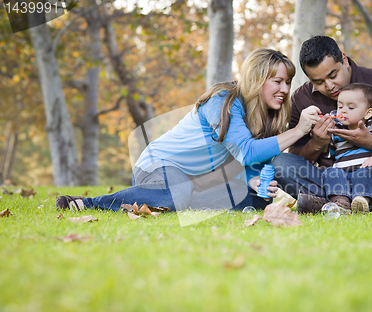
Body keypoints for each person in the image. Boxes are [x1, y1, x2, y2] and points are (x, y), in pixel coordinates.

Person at [56, 49, 320, 212]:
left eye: (287, 82)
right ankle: (89, 203)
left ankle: (175, 202)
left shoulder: (263, 113)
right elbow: (247, 151)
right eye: (277, 81)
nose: (285, 89)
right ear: (257, 79)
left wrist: (250, 179)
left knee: (258, 200)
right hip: (159, 166)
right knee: (177, 193)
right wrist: (298, 130)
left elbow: (250, 159)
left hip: (200, 179)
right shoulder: (223, 100)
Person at [271, 35, 372, 213]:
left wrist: (371, 143)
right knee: (280, 163)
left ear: (344, 59)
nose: (329, 86)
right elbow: (297, 158)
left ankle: (331, 205)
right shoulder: (302, 98)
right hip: (331, 179)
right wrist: (317, 144)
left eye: (333, 75)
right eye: (318, 82)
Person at [323, 83, 372, 213]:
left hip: (363, 170)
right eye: (340, 106)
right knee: (331, 172)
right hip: (342, 175)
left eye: (351, 107)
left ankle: (361, 200)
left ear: (367, 113)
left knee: (367, 172)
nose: (342, 111)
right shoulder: (337, 131)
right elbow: (331, 153)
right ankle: (341, 202)